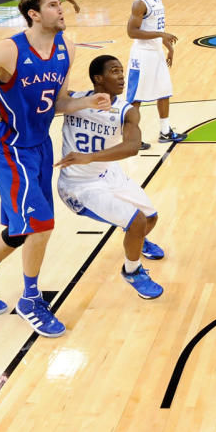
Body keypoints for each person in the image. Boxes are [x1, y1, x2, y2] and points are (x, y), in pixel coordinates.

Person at [0, 0, 110, 338]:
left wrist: (88, 101)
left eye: (60, 5)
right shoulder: (9, 49)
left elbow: (59, 103)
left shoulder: (68, 48)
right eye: (52, 5)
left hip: (40, 146)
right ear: (33, 14)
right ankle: (31, 299)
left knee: (21, 229)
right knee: (41, 225)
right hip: (9, 147)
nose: (61, 10)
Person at [55, 55, 165, 300]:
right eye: (115, 71)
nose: (122, 76)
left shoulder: (126, 111)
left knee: (150, 218)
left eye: (122, 71)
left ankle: (137, 242)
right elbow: (36, 102)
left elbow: (133, 146)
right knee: (136, 222)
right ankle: (133, 272)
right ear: (98, 78)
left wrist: (90, 157)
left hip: (107, 172)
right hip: (78, 186)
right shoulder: (73, 100)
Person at [126, 0, 183, 148]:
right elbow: (131, 32)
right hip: (142, 56)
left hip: (156, 53)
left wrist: (168, 47)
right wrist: (161, 35)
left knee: (164, 92)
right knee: (136, 98)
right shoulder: (140, 3)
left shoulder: (157, 0)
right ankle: (131, 139)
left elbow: (157, 28)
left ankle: (165, 132)